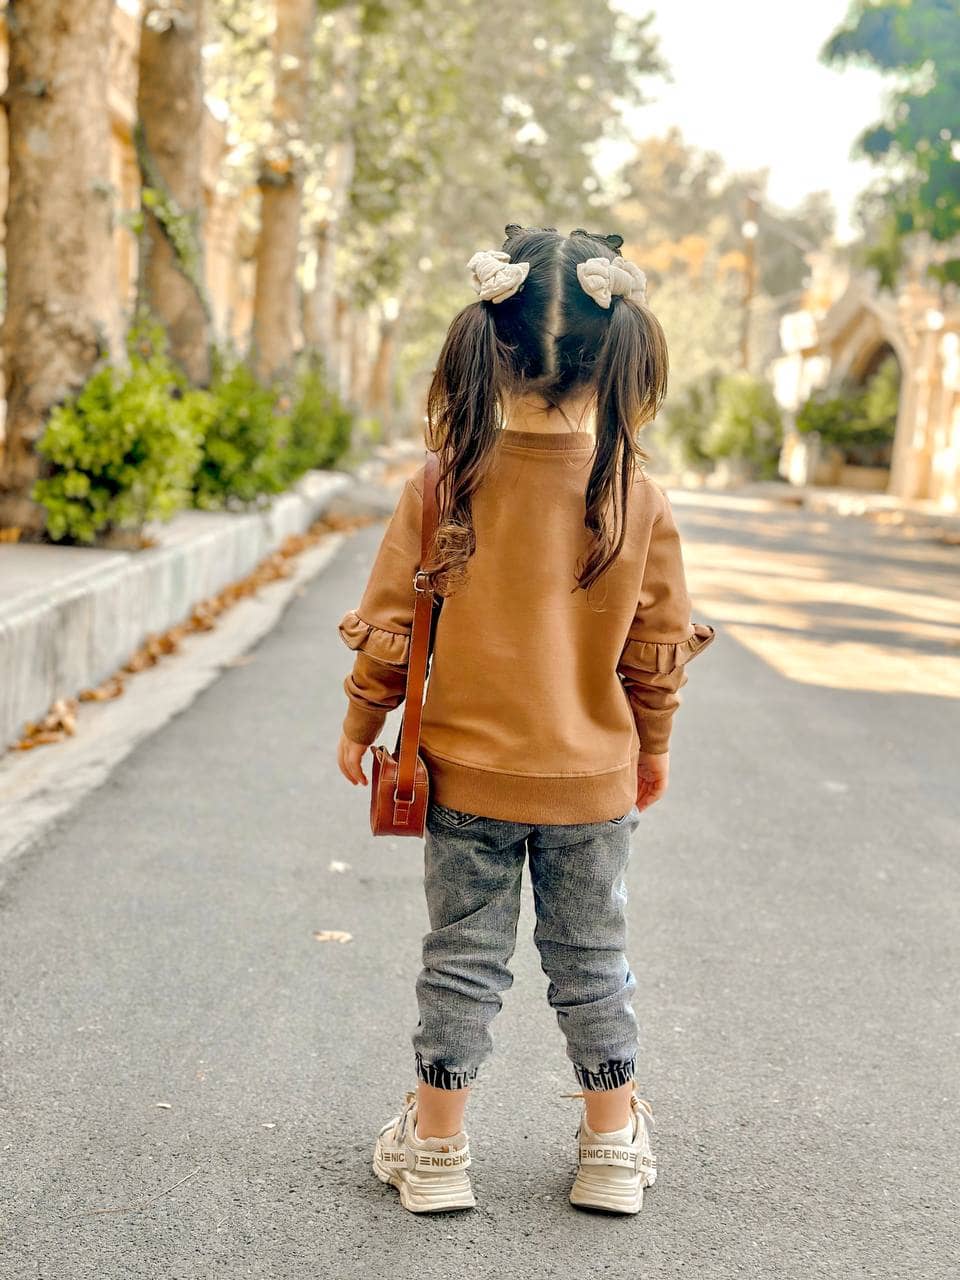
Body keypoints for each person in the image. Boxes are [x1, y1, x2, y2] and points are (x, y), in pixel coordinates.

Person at [335, 224, 714, 1216]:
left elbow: (391, 628)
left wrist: (362, 723)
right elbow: (655, 649)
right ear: (619, 360)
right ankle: (611, 1146)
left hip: (463, 778)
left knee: (461, 959)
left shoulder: (442, 484)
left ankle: (436, 1149)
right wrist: (654, 748)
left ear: (489, 349)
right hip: (592, 786)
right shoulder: (637, 496)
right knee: (593, 961)